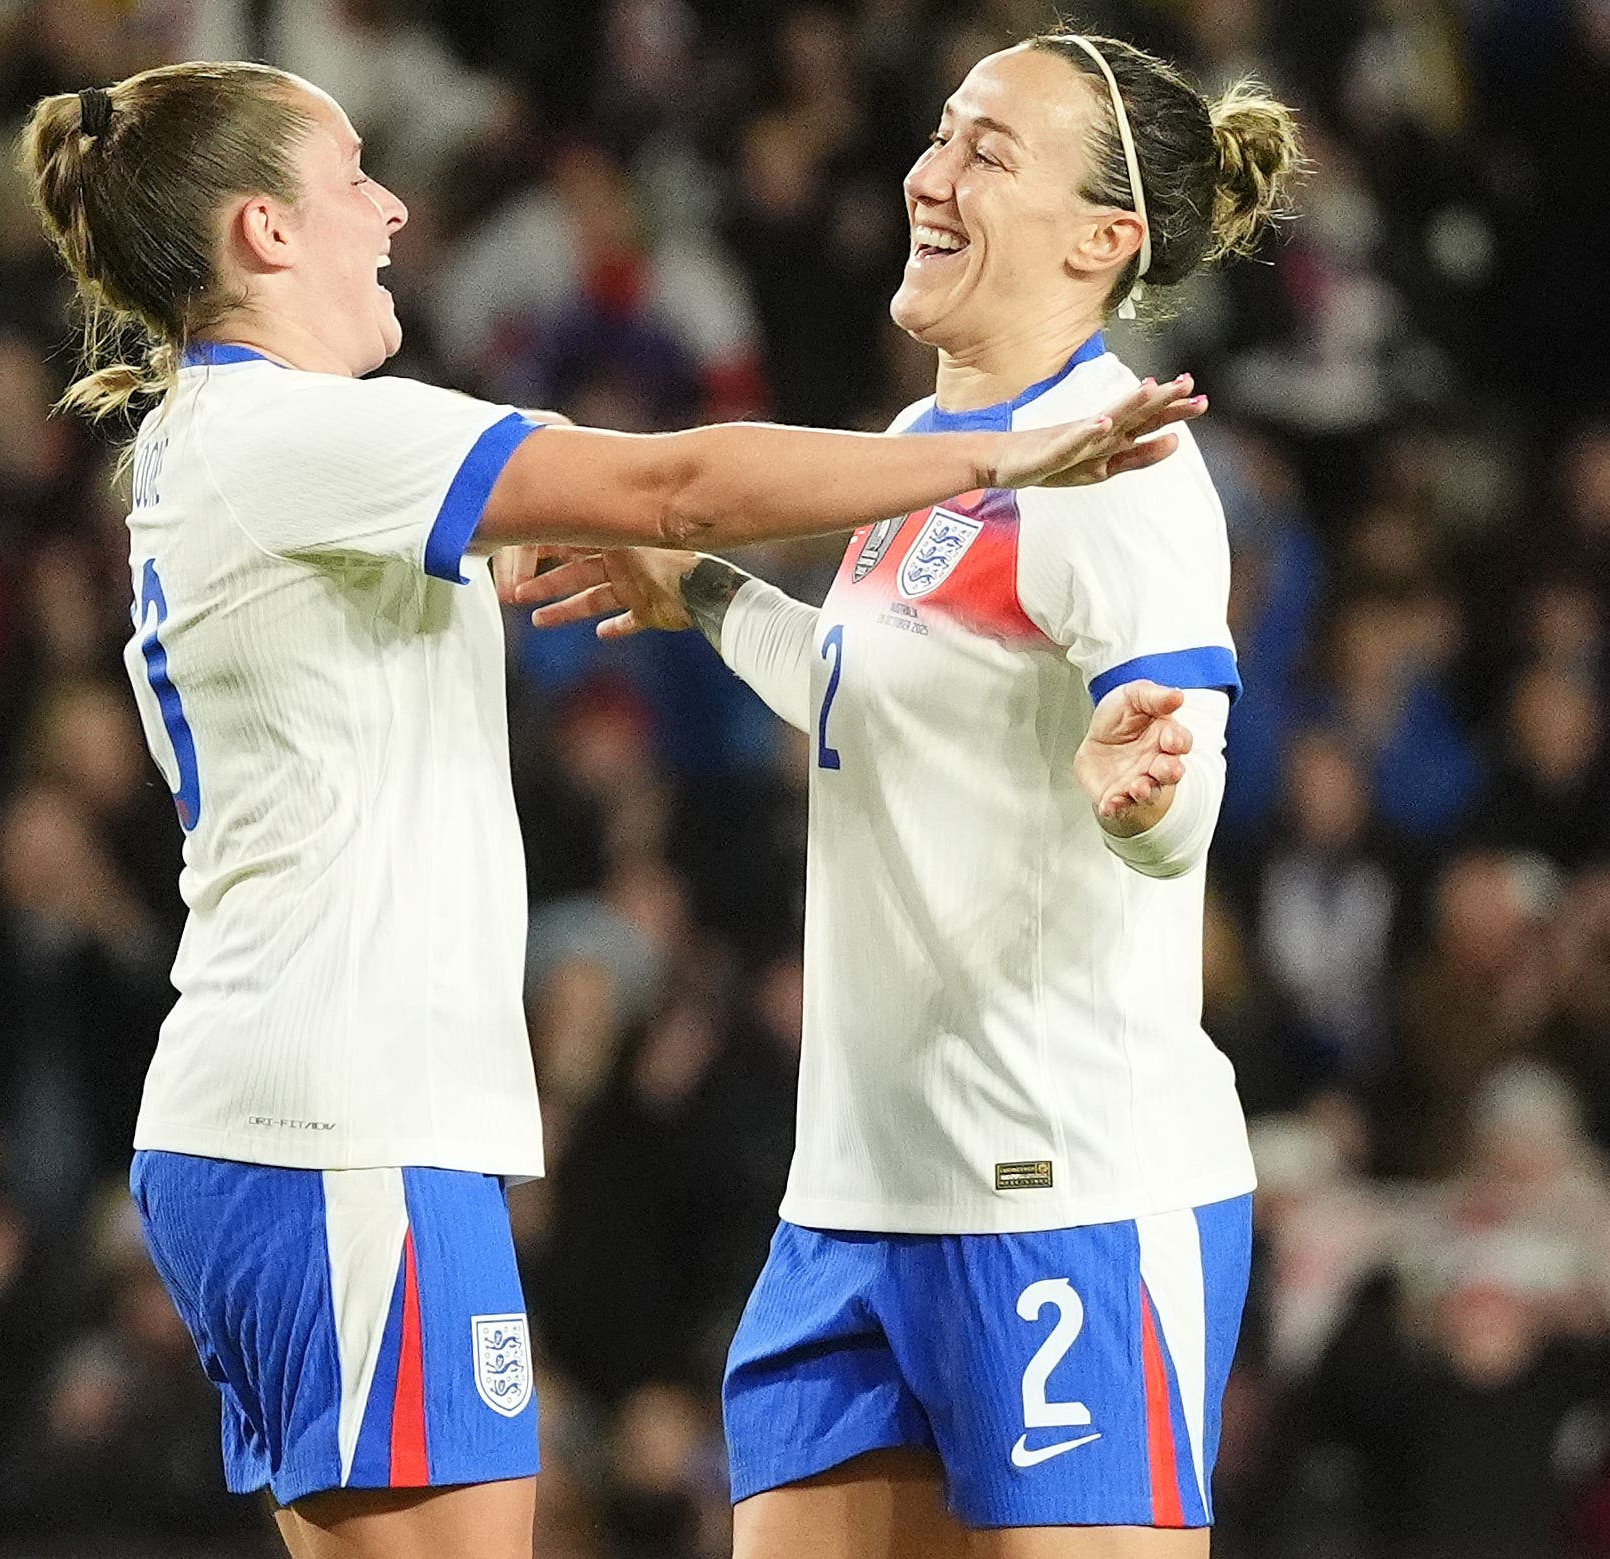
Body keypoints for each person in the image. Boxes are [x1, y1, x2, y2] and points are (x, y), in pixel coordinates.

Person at [19, 59, 1199, 1559]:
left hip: (291, 1118)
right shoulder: (296, 435)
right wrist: (1001, 452)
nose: (392, 209)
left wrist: (685, 588)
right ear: (263, 230)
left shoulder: (262, 446)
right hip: (343, 1127)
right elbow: (678, 483)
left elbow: (657, 543)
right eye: (354, 178)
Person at [523, 31, 1301, 1557]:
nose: (926, 176)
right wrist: (713, 596)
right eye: (941, 137)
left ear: (1104, 239)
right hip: (856, 1197)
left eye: (986, 155)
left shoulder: (1118, 466)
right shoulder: (923, 449)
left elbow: (1174, 772)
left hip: (1061, 1189)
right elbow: (870, 704)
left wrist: (1145, 804)